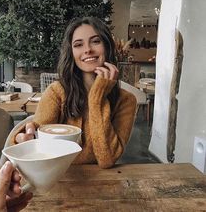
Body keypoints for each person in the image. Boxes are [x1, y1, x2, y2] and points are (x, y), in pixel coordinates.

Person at [13, 16, 137, 169]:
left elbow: (108, 159)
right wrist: (24, 136)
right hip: (58, 178)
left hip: (103, 183)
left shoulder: (126, 100)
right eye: (78, 44)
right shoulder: (56, 92)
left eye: (96, 41)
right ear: (71, 53)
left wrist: (97, 99)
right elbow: (36, 141)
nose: (87, 49)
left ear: (107, 46)